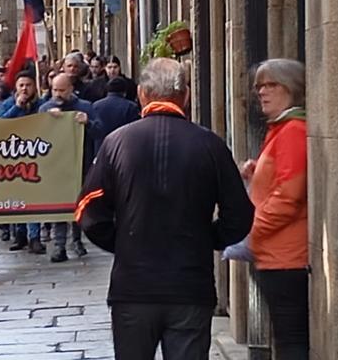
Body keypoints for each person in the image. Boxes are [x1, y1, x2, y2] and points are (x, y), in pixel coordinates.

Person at [76, 58, 254, 359]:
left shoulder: (115, 143)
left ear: (142, 95)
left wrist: (122, 241)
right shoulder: (210, 145)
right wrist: (207, 237)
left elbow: (88, 211)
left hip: (133, 286)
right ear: (185, 95)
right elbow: (240, 215)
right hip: (190, 284)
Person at [241, 59, 309, 359]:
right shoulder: (281, 129)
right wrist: (257, 171)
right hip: (275, 255)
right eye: (260, 87)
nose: (263, 92)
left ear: (291, 89)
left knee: (291, 342)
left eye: (272, 85)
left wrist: (251, 232)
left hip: (286, 258)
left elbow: (288, 197)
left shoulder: (293, 129)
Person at [40, 73, 103, 262]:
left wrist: (87, 122)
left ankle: (77, 240)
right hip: (56, 166)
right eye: (54, 90)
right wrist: (47, 120)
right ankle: (59, 246)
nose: (57, 94)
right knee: (61, 205)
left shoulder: (85, 107)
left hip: (80, 164)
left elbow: (100, 130)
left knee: (78, 204)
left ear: (70, 89)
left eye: (61, 90)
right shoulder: (45, 108)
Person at [0, 71, 44, 252]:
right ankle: (20, 234)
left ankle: (34, 237)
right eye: (21, 85)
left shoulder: (41, 105)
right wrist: (16, 108)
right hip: (12, 157)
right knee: (16, 196)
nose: (25, 89)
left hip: (36, 156)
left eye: (28, 85)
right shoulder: (7, 104)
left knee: (33, 197)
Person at [92, 77, 141, 141]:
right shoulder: (131, 106)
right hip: (122, 144)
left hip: (101, 146)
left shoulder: (96, 106)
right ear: (125, 92)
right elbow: (135, 130)